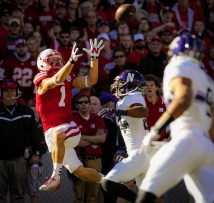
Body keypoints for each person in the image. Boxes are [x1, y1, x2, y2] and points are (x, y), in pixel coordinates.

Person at [136, 34, 214, 203]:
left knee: (145, 194)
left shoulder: (179, 65)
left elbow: (184, 98)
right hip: (207, 146)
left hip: (187, 138)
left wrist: (156, 130)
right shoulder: (207, 79)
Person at [33, 38, 105, 192]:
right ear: (43, 63)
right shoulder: (41, 79)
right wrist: (71, 62)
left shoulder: (68, 75)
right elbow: (56, 80)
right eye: (53, 61)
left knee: (59, 134)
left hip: (67, 127)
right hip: (50, 131)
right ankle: (107, 180)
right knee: (80, 172)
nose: (58, 63)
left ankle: (55, 177)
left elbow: (91, 80)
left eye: (59, 60)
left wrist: (94, 59)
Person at [99, 70, 156, 202]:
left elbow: (143, 111)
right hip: (143, 155)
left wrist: (120, 112)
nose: (117, 86)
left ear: (129, 85)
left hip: (139, 155)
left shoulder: (133, 97)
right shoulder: (125, 101)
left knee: (108, 182)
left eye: (120, 83)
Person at [0, 79, 43, 203]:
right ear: (1, 93)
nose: (9, 94)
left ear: (17, 92)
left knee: (18, 194)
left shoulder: (26, 111)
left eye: (12, 90)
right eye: (6, 91)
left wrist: (36, 152)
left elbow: (34, 135)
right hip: (0, 159)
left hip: (19, 159)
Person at [71, 94, 107, 203]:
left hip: (95, 159)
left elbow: (102, 139)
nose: (84, 104)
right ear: (77, 105)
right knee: (79, 195)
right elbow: (76, 142)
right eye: (80, 102)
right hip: (78, 160)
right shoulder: (73, 120)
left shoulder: (98, 119)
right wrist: (94, 137)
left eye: (86, 102)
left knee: (92, 195)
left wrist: (82, 136)